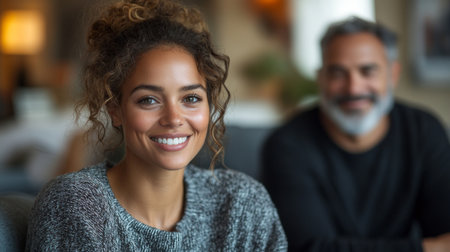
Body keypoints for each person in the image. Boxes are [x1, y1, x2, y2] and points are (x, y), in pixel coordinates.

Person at [26, 0, 287, 250]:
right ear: (115, 110)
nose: (173, 118)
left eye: (191, 98)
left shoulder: (242, 203)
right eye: (149, 100)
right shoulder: (76, 204)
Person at [262, 16, 450, 252]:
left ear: (393, 74)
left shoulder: (423, 131)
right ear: (321, 78)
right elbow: (308, 248)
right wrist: (427, 249)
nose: (353, 88)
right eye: (338, 73)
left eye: (367, 71)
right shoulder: (286, 144)